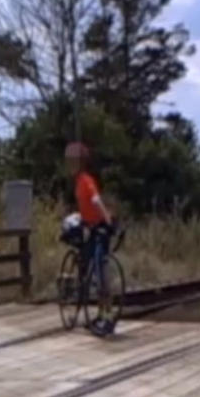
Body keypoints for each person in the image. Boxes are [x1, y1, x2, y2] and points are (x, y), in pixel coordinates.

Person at [64, 141, 115, 335]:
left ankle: (107, 315)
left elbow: (95, 200)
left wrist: (107, 218)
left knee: (100, 273)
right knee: (88, 268)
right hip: (89, 226)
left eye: (73, 161)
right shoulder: (78, 182)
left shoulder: (85, 180)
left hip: (99, 226)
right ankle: (100, 314)